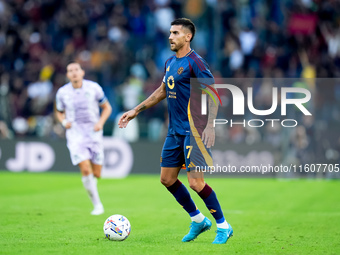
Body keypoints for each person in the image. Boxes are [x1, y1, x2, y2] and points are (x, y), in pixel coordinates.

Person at [118, 18, 233, 244]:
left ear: (187, 37)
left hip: (195, 129)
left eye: (175, 33)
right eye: (170, 33)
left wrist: (210, 125)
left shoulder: (196, 63)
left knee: (195, 182)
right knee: (167, 179)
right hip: (175, 130)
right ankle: (198, 220)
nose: (170, 36)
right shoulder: (170, 62)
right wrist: (136, 110)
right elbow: (162, 90)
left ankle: (224, 226)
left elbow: (212, 93)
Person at [55, 62, 112, 215]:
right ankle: (97, 205)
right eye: (70, 71)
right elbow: (59, 112)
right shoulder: (62, 93)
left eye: (76, 70)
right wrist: (63, 121)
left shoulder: (94, 88)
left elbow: (107, 107)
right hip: (75, 135)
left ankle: (91, 185)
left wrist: (100, 123)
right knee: (85, 168)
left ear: (82, 72)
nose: (73, 73)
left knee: (97, 173)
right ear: (67, 75)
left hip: (94, 134)